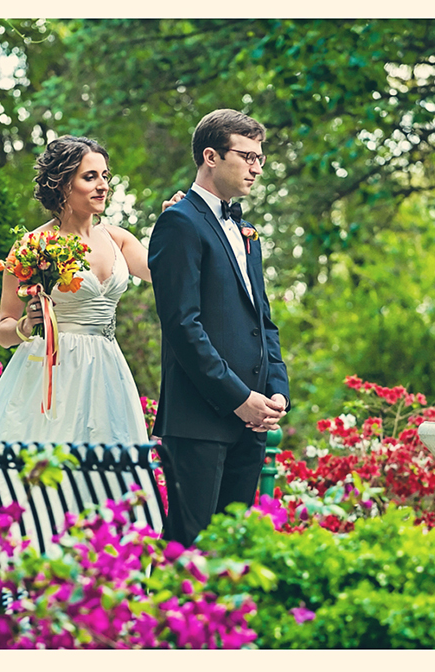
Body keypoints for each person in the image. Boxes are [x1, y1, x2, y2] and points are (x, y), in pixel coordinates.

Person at [148, 109, 290, 546]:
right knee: (189, 549)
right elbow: (182, 326)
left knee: (231, 553)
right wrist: (237, 398)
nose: (256, 167)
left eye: (260, 158)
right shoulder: (179, 222)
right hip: (198, 420)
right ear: (210, 155)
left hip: (251, 421)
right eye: (246, 156)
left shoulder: (247, 230)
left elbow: (262, 320)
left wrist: (276, 390)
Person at [0, 135, 154, 446]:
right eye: (90, 177)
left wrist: (177, 223)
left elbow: (167, 273)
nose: (103, 186)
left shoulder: (118, 239)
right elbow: (3, 331)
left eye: (105, 176)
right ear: (63, 184)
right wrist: (26, 325)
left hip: (108, 372)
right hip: (51, 373)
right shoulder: (32, 246)